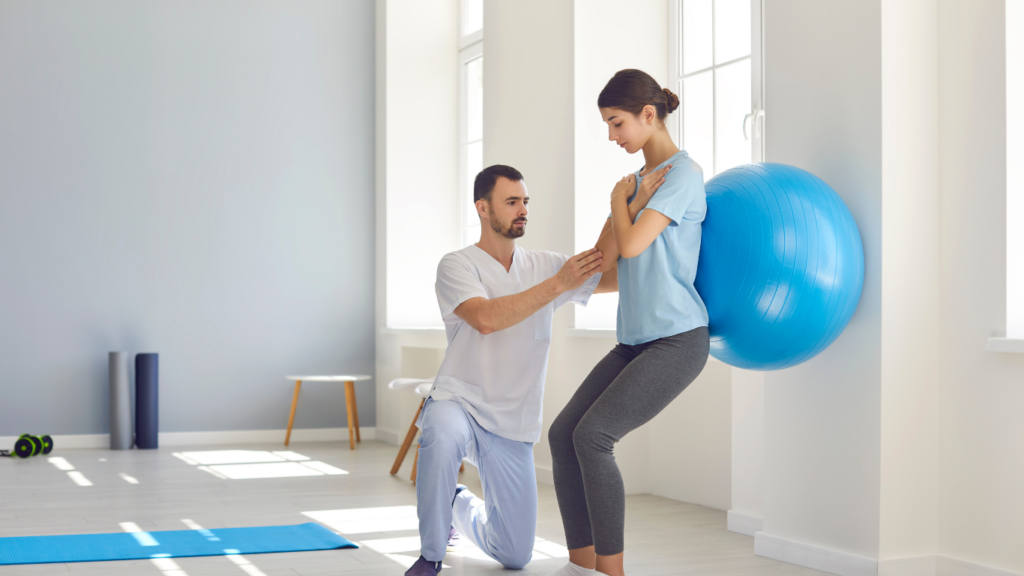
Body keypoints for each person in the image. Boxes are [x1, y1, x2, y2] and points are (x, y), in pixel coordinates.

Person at [405, 164, 620, 576]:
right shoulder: (457, 265)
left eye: (525, 201)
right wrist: (558, 284)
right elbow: (486, 319)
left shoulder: (544, 264)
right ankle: (430, 555)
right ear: (482, 208)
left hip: (512, 419)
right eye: (511, 202)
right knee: (441, 435)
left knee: (516, 554)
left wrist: (620, 212)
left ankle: (455, 503)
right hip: (460, 400)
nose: (523, 210)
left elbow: (606, 272)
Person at [546, 69, 711, 576]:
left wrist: (621, 202)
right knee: (563, 434)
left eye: (616, 123)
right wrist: (628, 201)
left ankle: (610, 572)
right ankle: (581, 564)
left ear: (648, 114)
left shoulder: (684, 175)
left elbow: (635, 243)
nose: (613, 136)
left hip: (678, 340)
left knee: (594, 437)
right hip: (635, 341)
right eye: (607, 125)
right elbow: (604, 258)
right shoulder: (638, 183)